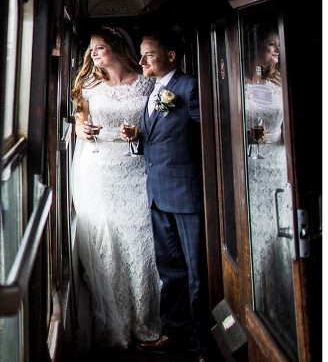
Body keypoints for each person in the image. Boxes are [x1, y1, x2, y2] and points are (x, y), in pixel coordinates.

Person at [122, 30, 220, 361]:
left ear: (171, 56)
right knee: (170, 270)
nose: (142, 61)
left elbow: (210, 136)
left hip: (187, 194)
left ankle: (207, 346)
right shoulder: (154, 90)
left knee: (197, 275)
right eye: (141, 55)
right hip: (158, 194)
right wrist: (137, 137)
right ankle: (174, 333)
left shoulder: (190, 87)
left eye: (148, 54)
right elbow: (157, 139)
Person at [70, 26, 160, 348]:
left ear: (118, 47)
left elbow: (157, 125)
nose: (94, 54)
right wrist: (83, 129)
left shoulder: (148, 83)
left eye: (100, 47)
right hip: (100, 171)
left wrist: (138, 134)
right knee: (110, 243)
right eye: (91, 50)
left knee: (142, 241)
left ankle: (146, 319)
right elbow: (80, 121)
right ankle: (119, 324)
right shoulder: (89, 85)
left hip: (137, 170)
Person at [243, 30, 295, 331]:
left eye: (278, 45)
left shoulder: (279, 83)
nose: (276, 51)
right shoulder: (236, 82)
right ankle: (258, 307)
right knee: (259, 240)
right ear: (256, 46)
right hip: (249, 170)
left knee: (281, 238)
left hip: (276, 165)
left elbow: (288, 126)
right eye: (271, 45)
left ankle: (284, 309)